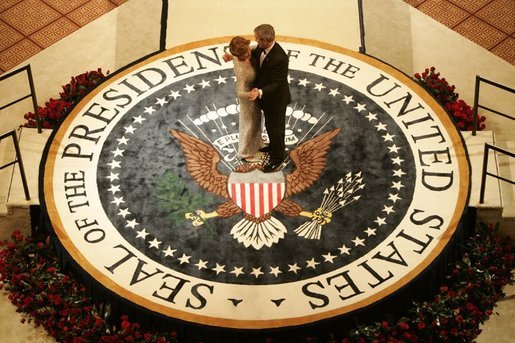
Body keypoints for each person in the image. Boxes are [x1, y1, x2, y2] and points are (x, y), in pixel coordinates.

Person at [248, 24, 291, 173]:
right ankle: (273, 146)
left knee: (276, 129)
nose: (256, 42)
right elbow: (252, 50)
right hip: (266, 98)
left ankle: (278, 157)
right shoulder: (261, 47)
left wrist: (259, 91)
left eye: (258, 40)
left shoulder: (280, 58)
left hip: (276, 100)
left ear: (266, 40)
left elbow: (277, 84)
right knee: (270, 127)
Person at [228, 36, 263, 162]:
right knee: (248, 124)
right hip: (247, 98)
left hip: (254, 93)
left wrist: (229, 57)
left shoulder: (243, 52)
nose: (249, 53)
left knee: (257, 120)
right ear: (239, 55)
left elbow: (255, 46)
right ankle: (244, 152)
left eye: (248, 50)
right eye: (245, 54)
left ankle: (257, 143)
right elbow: (239, 92)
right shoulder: (241, 70)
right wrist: (249, 94)